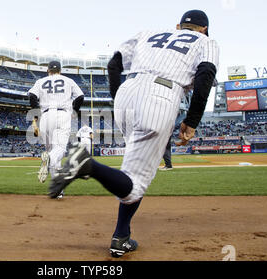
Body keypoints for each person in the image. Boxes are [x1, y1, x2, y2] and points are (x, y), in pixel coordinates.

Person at [49, 10, 219, 257]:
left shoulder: (149, 33)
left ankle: (121, 237)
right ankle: (87, 165)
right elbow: (205, 75)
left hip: (127, 93)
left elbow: (113, 64)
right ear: (204, 29)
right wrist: (192, 121)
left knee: (132, 172)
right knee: (135, 184)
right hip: (162, 94)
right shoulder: (207, 41)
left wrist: (119, 97)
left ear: (178, 25)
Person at [28, 61, 84, 197]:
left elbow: (32, 96)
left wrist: (36, 115)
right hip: (62, 114)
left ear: (48, 70)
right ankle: (48, 160)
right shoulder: (68, 80)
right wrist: (74, 111)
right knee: (59, 150)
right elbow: (80, 96)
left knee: (52, 152)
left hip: (45, 115)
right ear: (60, 70)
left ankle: (57, 190)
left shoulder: (41, 81)